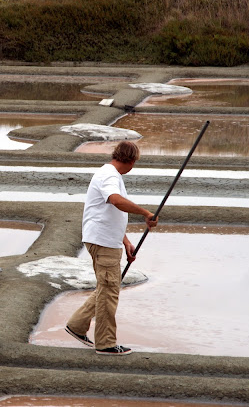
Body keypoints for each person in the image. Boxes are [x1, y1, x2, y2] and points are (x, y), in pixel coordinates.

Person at [65, 141, 158, 355]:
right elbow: (115, 201)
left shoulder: (111, 175)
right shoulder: (109, 175)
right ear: (131, 161)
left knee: (106, 288)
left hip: (108, 240)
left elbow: (110, 214)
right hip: (102, 242)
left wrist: (125, 242)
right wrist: (145, 213)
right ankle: (106, 343)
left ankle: (77, 325)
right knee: (109, 292)